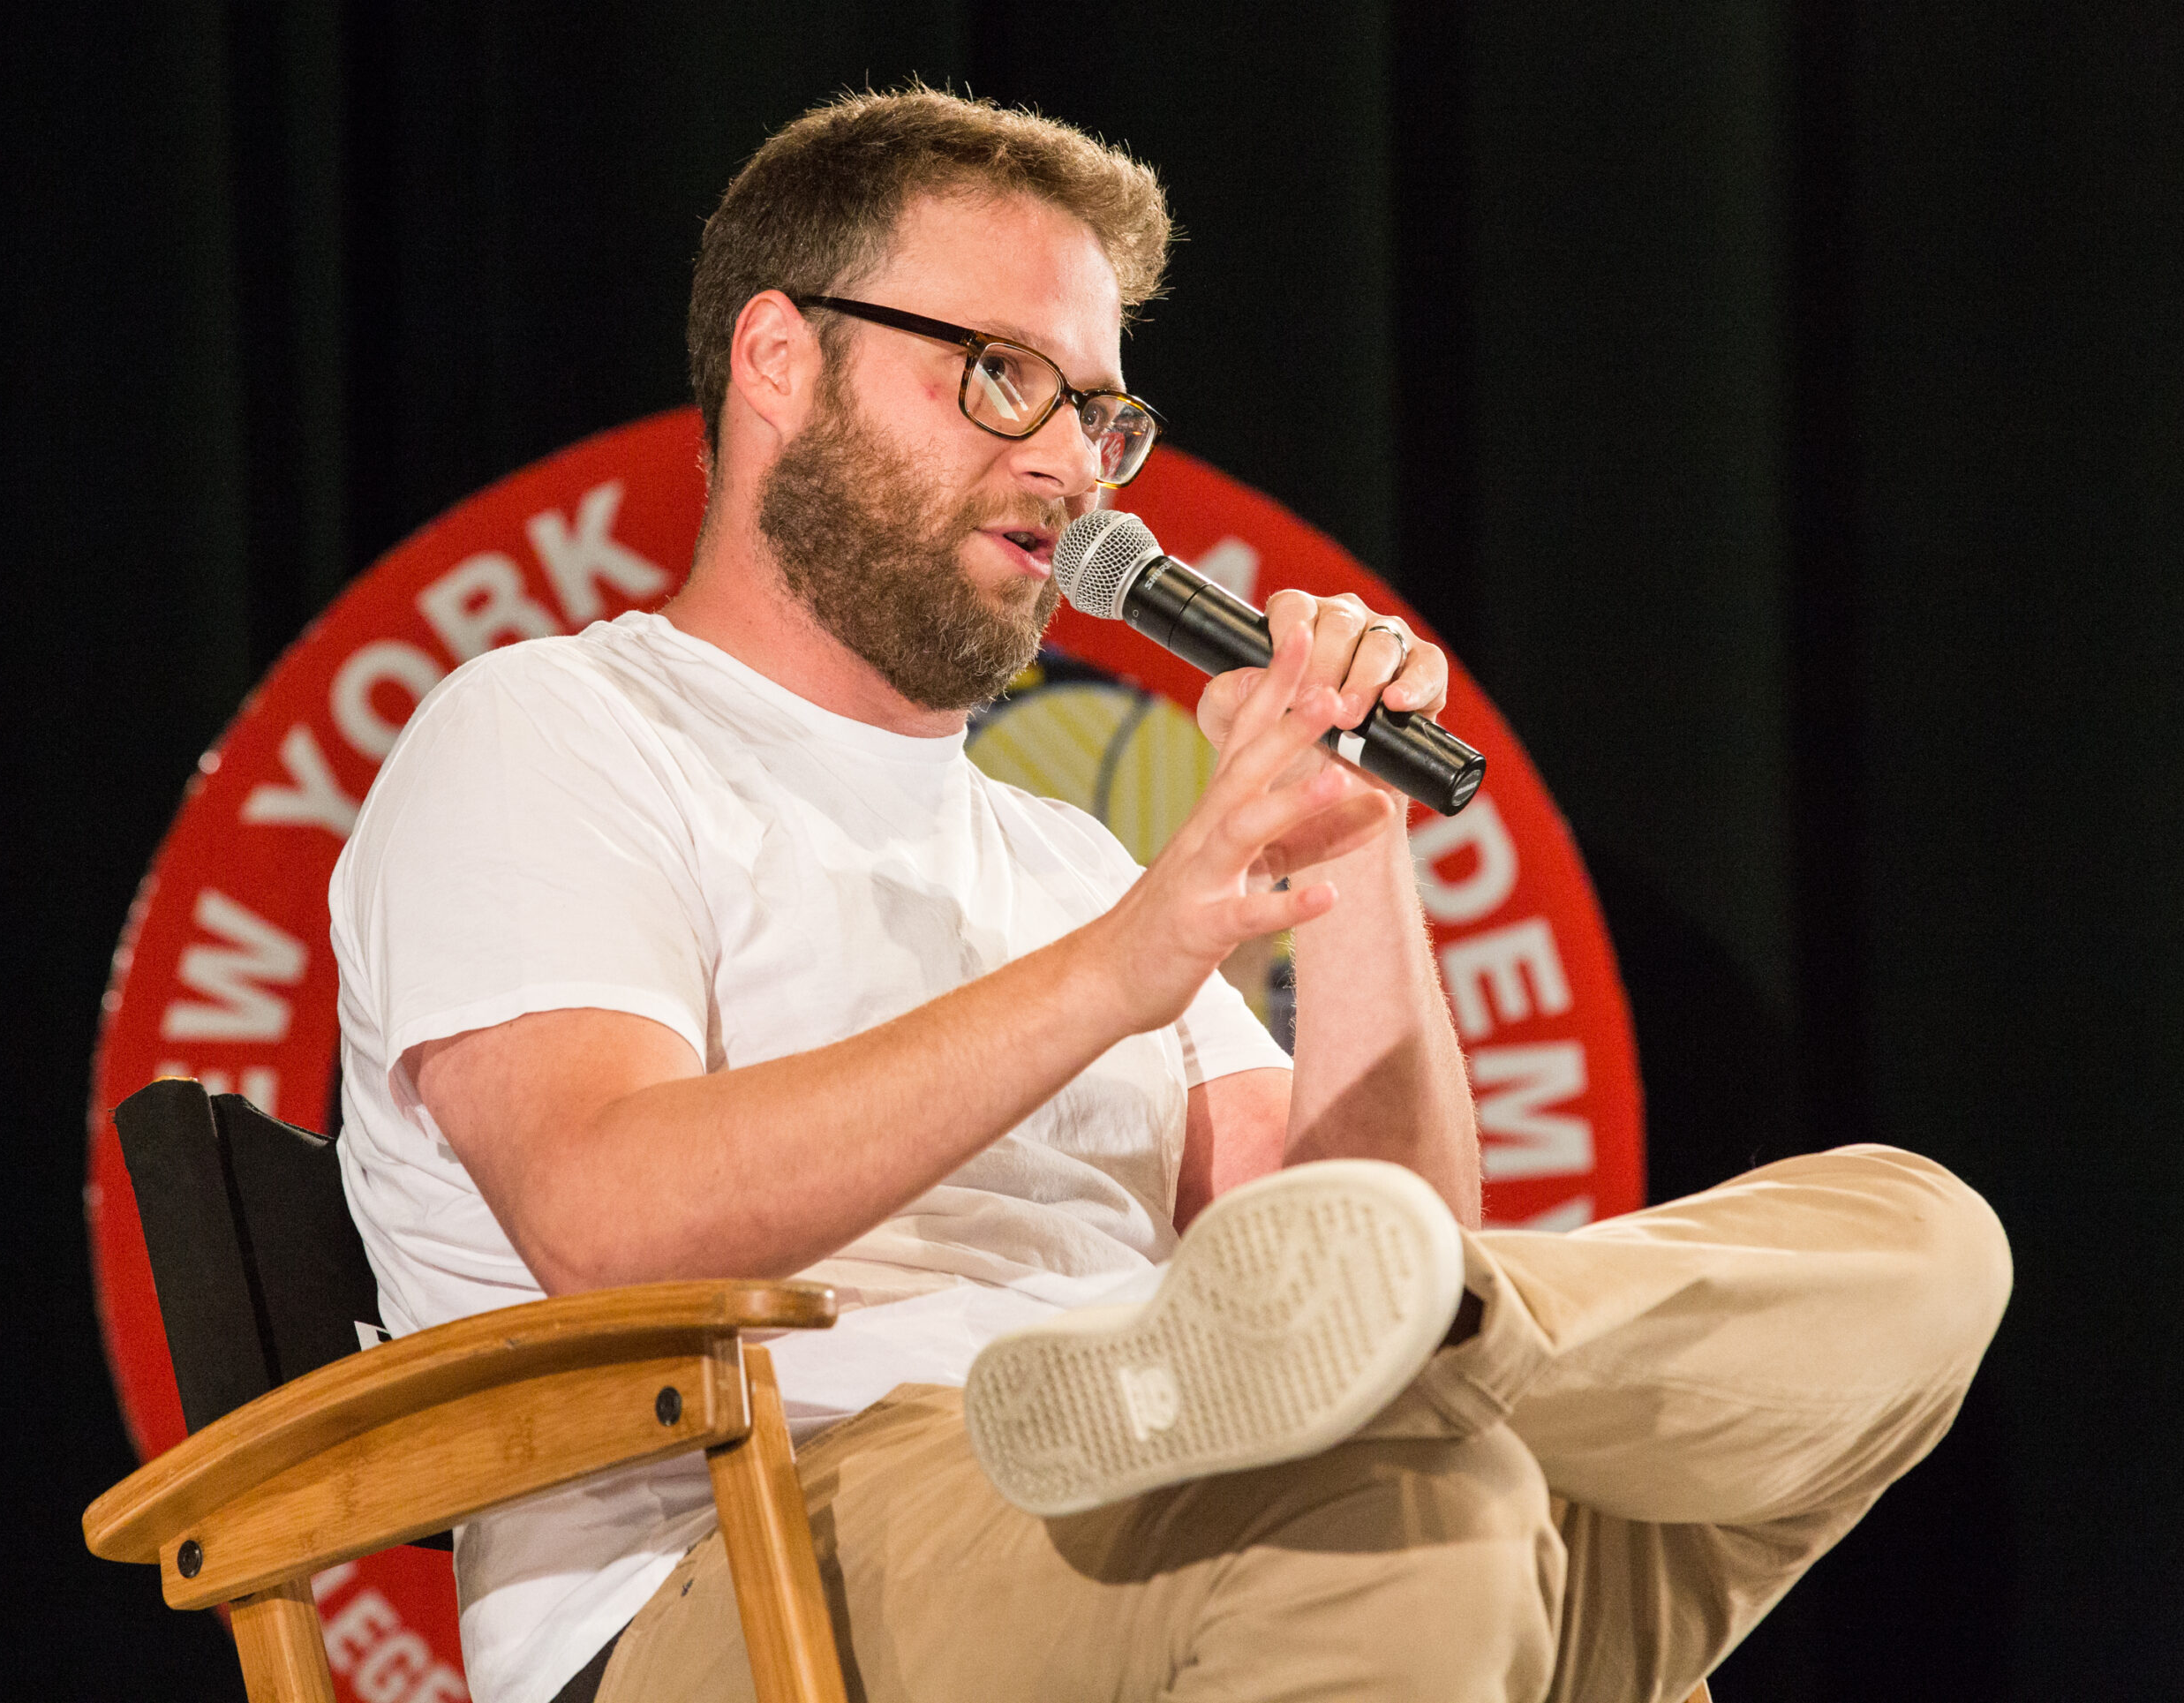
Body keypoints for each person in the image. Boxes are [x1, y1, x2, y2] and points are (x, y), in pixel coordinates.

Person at [330, 87, 2009, 1703]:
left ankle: (1388, 1364)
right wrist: (1127, 965)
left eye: (1100, 412)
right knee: (1415, 1502)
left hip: (1192, 1486)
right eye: (1005, 379)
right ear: (780, 358)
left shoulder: (1062, 854)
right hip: (746, 1560)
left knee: (1920, 1239)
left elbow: (1356, 1225)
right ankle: (1315, 1388)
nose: (1074, 467)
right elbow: (609, 1217)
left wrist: (1346, 851)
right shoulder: (552, 734)